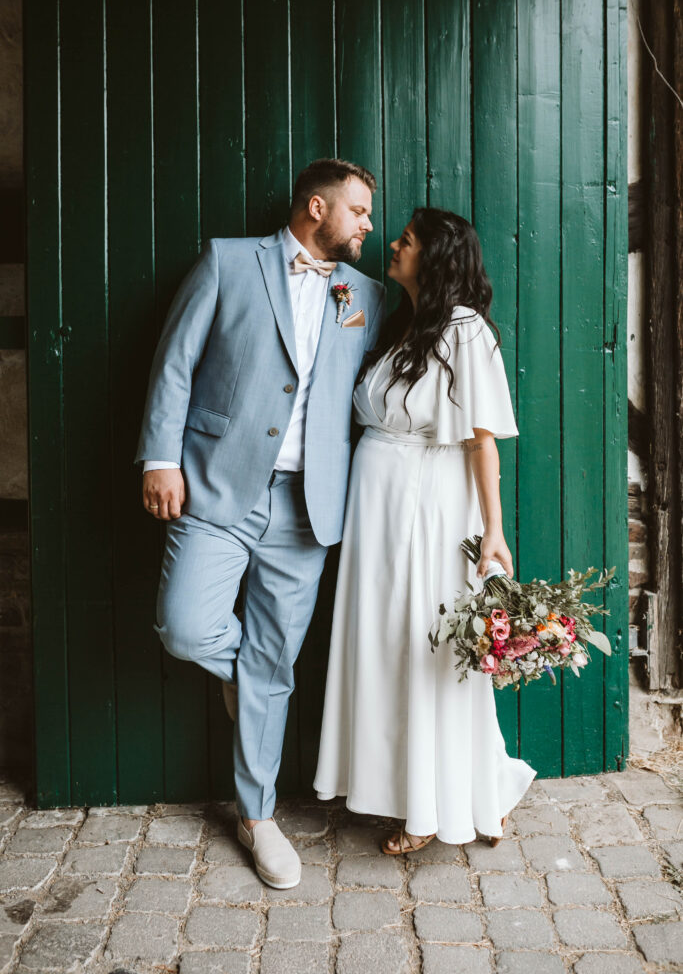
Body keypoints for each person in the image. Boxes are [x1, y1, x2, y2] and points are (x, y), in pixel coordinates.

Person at [136, 159, 385, 887]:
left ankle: (257, 815)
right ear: (317, 206)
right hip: (215, 486)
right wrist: (159, 458)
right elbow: (175, 364)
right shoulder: (228, 260)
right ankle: (261, 682)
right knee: (186, 629)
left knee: (274, 663)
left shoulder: (362, 293)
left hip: (307, 507)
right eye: (359, 210)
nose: (369, 224)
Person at [314, 207, 536, 852]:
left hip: (430, 504)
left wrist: (493, 531)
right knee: (383, 642)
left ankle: (437, 804)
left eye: (406, 240)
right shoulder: (402, 324)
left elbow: (482, 441)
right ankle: (405, 788)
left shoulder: (465, 330)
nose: (392, 243)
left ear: (434, 257)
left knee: (425, 643)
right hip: (377, 507)